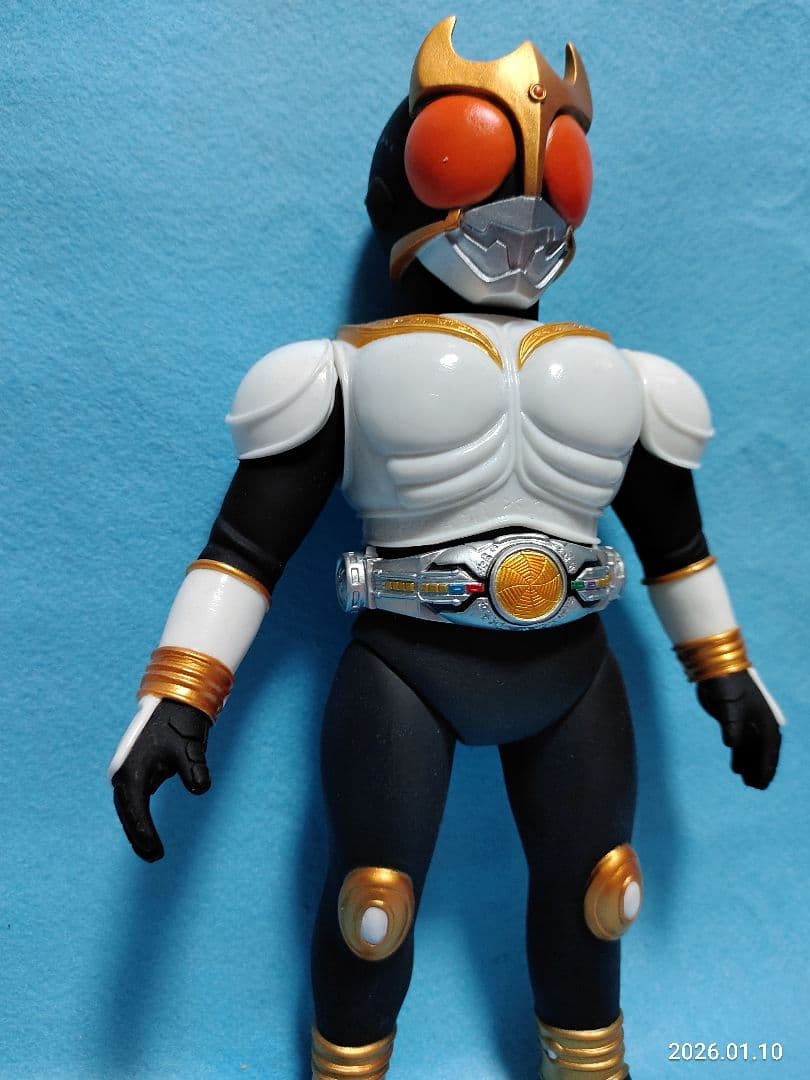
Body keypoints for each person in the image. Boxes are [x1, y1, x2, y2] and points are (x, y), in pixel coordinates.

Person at [110, 18, 783, 1079]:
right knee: (372, 907)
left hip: (574, 670)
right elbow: (244, 550)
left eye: (555, 170)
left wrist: (729, 672)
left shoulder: (625, 381)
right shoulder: (339, 373)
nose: (522, 211)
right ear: (403, 180)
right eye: (473, 155)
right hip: (406, 669)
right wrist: (178, 695)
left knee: (600, 894)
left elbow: (677, 547)